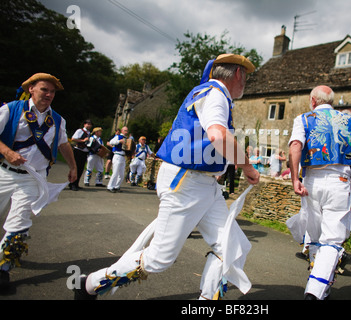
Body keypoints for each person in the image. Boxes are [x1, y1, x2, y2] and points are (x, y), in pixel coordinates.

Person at [74, 54, 260, 300]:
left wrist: (214, 169)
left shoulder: (207, 93)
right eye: (245, 77)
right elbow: (218, 136)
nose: (245, 82)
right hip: (187, 182)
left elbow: (206, 140)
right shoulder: (216, 94)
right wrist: (248, 168)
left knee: (231, 245)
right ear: (238, 74)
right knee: (159, 259)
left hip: (199, 183)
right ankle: (90, 284)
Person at [288, 85, 351, 300]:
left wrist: (295, 178)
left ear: (313, 101)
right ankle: (315, 293)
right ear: (331, 101)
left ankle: (319, 289)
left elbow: (296, 145)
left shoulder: (304, 118)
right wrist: (345, 162)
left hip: (312, 181)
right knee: (332, 240)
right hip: (339, 181)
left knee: (314, 236)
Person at [0, 73, 76, 288]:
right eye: (45, 89)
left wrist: (73, 166)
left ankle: (3, 268)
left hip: (32, 179)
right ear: (31, 88)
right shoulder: (12, 108)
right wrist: (6, 152)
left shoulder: (58, 119)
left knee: (19, 224)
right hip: (4, 173)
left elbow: (63, 144)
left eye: (52, 92)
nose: (49, 94)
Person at [69, 119, 92, 191]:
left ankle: (76, 183)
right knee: (76, 167)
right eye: (88, 124)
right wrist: (82, 141)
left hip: (84, 151)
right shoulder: (80, 131)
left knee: (81, 168)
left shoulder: (89, 133)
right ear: (84, 124)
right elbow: (73, 139)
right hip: (78, 150)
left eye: (90, 124)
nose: (89, 125)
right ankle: (72, 184)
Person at [107, 126, 128, 193]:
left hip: (123, 156)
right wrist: (119, 141)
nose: (126, 132)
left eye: (127, 131)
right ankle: (110, 186)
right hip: (117, 155)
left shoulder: (127, 139)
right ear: (122, 131)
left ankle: (117, 186)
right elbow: (111, 142)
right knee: (115, 172)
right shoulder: (118, 136)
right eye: (125, 130)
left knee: (121, 174)